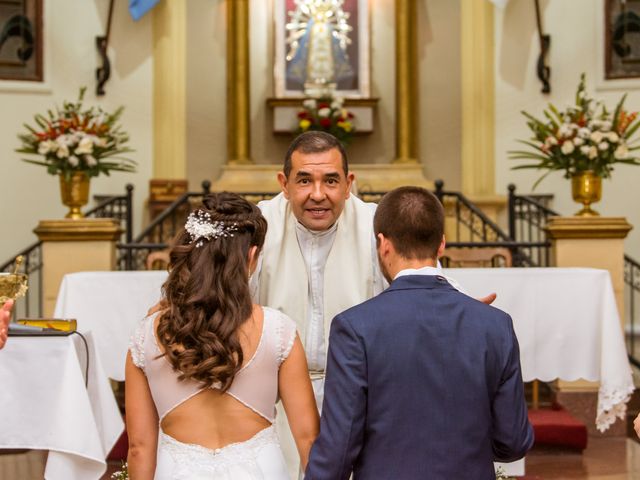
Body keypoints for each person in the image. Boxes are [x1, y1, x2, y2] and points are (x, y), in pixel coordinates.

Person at [252, 131, 495, 477]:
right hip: (273, 398)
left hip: (358, 398)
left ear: (349, 183)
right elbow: (223, 291)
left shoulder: (378, 224)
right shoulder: (258, 226)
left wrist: (460, 309)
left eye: (331, 181)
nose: (317, 195)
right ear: (284, 183)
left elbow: (422, 279)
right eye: (304, 180)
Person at [305, 186, 534, 479]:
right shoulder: (495, 325)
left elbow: (339, 448)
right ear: (441, 246)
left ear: (383, 244)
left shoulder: (354, 327)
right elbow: (513, 442)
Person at [126, 193, 319, 479]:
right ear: (252, 256)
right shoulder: (278, 331)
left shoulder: (148, 335)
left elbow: (139, 448)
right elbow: (309, 440)